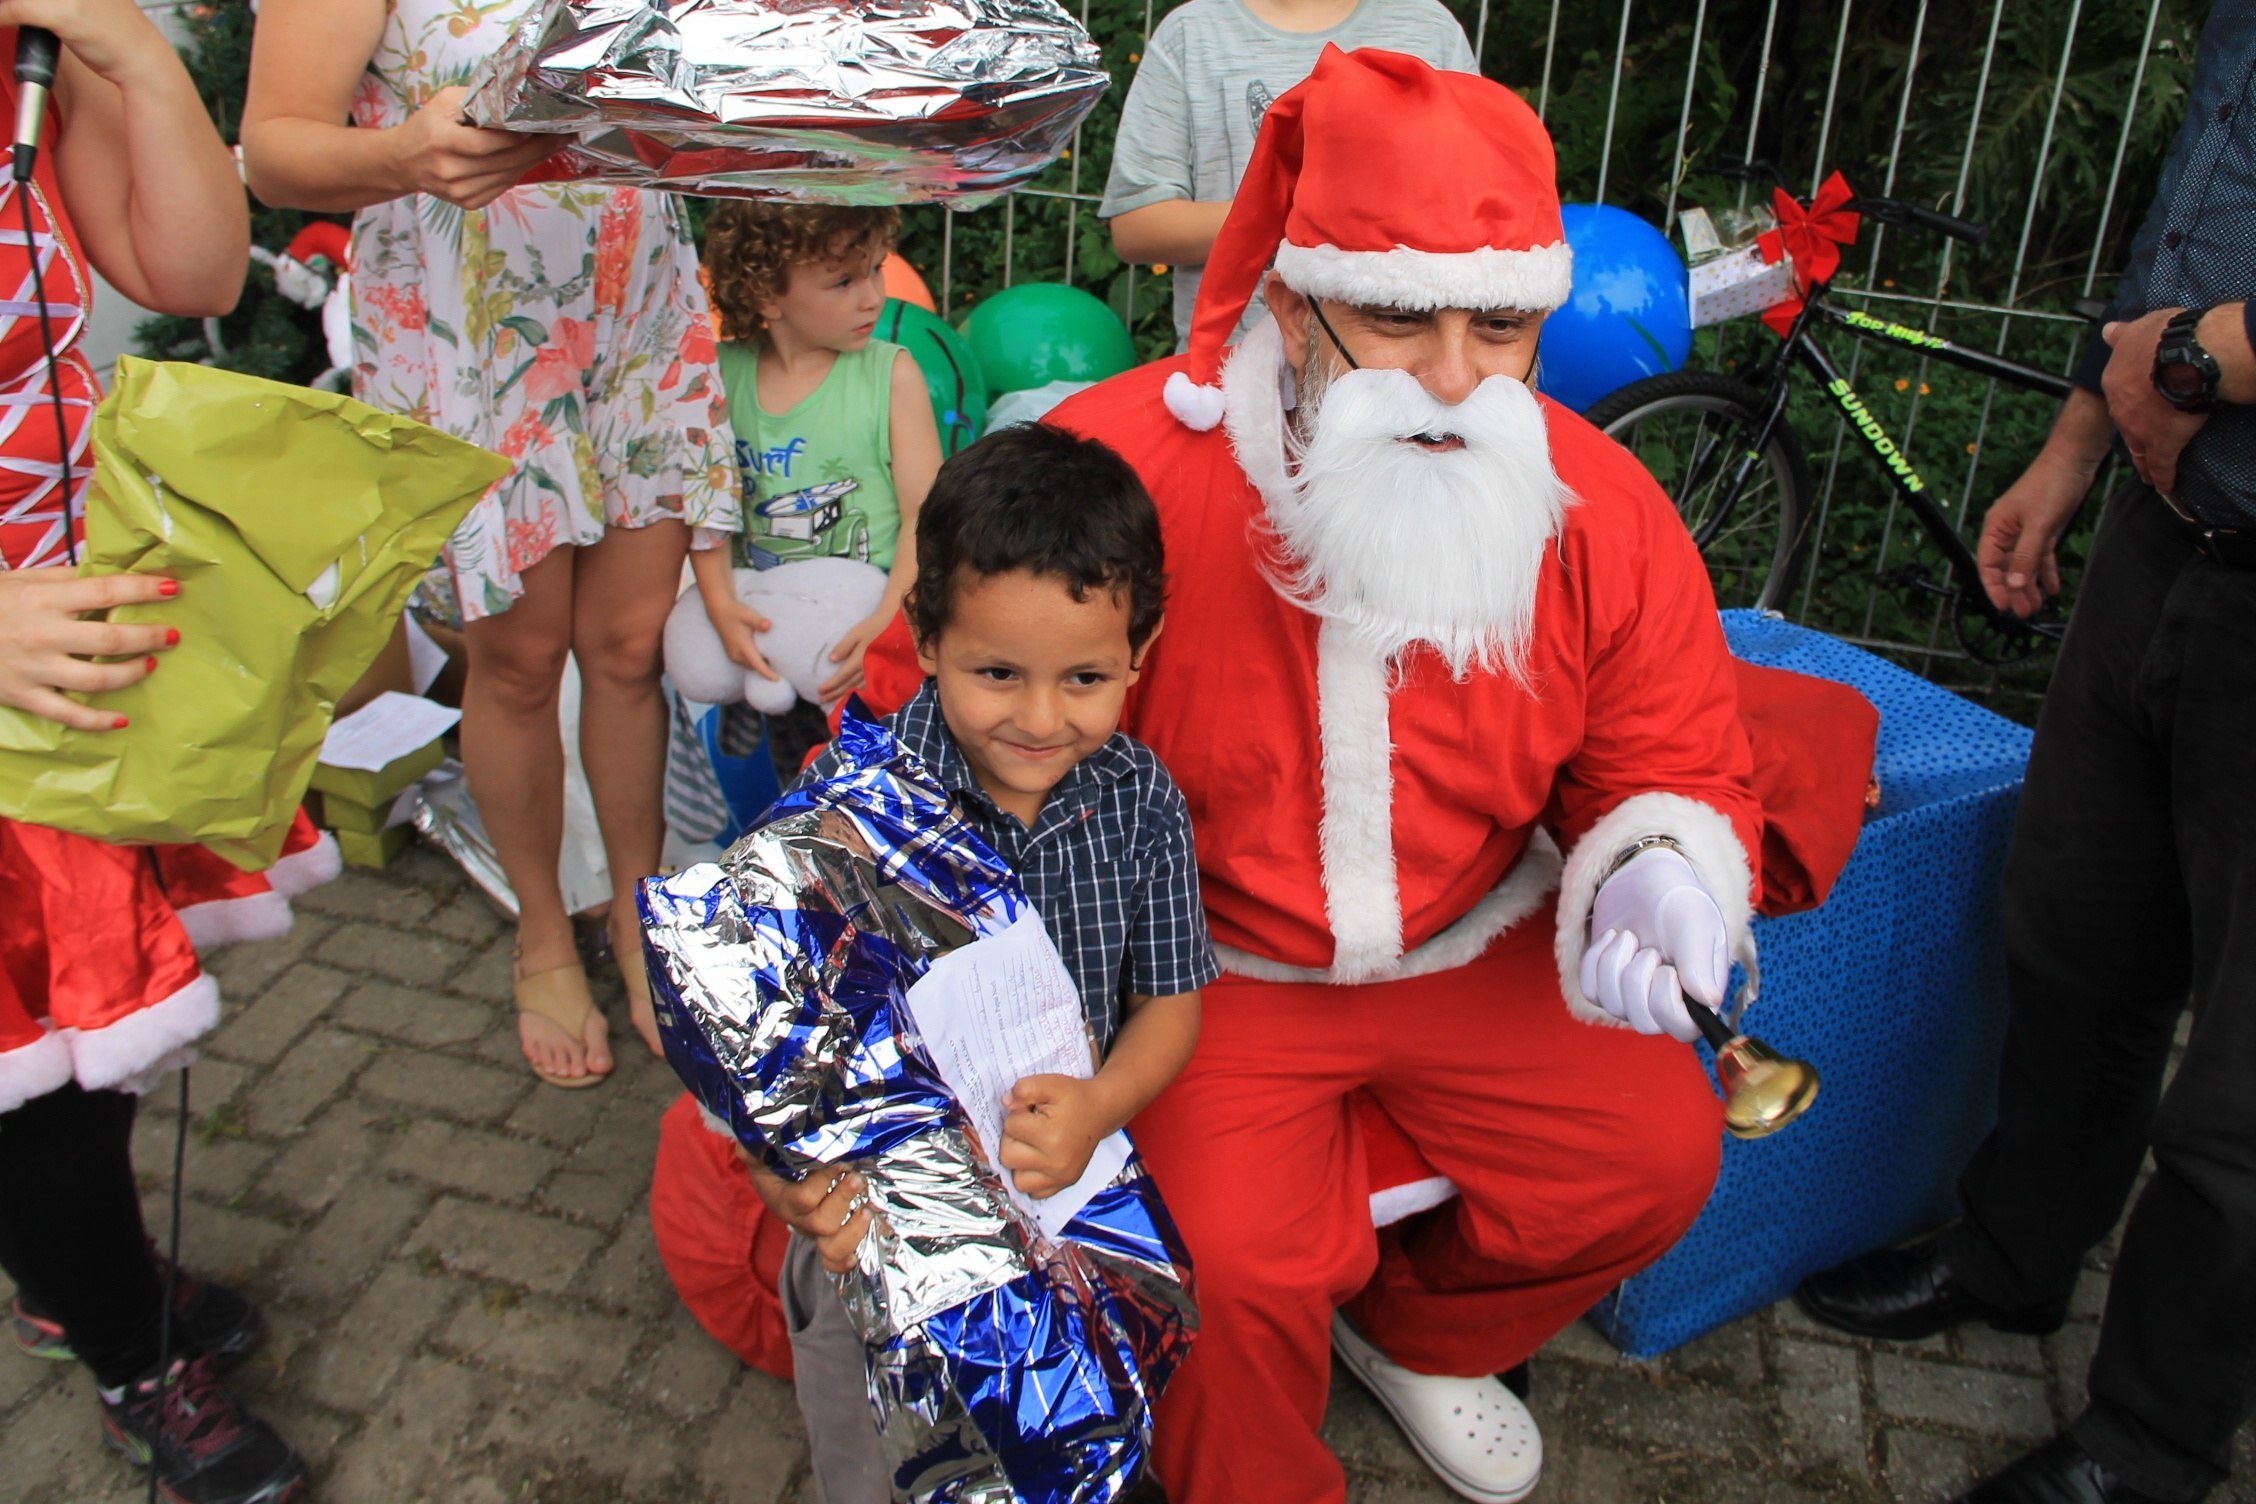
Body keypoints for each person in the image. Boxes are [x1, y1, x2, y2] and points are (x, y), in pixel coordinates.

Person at [863, 46, 1762, 1504]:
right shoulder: (1117, 465)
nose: (1459, 377)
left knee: (1654, 1153)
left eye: (1505, 322)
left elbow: (1665, 750)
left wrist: (1661, 866)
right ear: (1291, 296)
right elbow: (916, 720)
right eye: (1401, 315)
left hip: (1478, 937)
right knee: (1215, 1264)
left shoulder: (1599, 503)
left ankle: (1417, 1332)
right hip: (1208, 968)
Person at [1795, 8, 2256, 1502]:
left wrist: (2198, 358)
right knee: (2077, 930)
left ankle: (2152, 1440)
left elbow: (2194, 325)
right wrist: (2080, 442)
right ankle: (2012, 1255)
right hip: (2168, 525)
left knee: (2240, 1094)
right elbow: (2206, 188)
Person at [241, 0, 742, 1082]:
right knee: (517, 662)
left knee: (626, 650)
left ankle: (637, 920)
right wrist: (403, 153)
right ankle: (544, 933)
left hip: (635, 307)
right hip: (469, 323)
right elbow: (274, 151)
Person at [745, 423, 1216, 1504]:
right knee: (884, 1468)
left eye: (1087, 676)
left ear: (1141, 647)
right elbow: (766, 1054)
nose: (1041, 718)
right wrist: (790, 1187)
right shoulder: (853, 814)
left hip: (1066, 1214)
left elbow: (1171, 1004)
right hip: (878, 1240)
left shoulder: (1141, 802)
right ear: (926, 636)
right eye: (998, 671)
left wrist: (1101, 1105)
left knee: (1076, 1452)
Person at [0, 5, 308, 1502]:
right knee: (33, 1101)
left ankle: (85, 1280)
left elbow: (189, 270)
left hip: (71, 666)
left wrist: (122, 42)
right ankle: (129, 1359)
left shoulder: (26, 77)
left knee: (101, 1046)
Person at [693, 199, 941, 768]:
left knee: (877, 789)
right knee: (793, 785)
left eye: (877, 268)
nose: (873, 296)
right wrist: (720, 604)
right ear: (764, 294)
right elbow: (706, 505)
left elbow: (926, 514)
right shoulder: (719, 375)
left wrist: (889, 621)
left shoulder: (890, 373)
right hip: (772, 633)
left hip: (865, 634)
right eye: (843, 281)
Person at [1100, 0, 1474, 350]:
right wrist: (1316, 217)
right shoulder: (1191, 32)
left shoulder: (1429, 29)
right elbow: (1138, 227)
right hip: (1227, 372)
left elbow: (1475, 210)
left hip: (1403, 367)